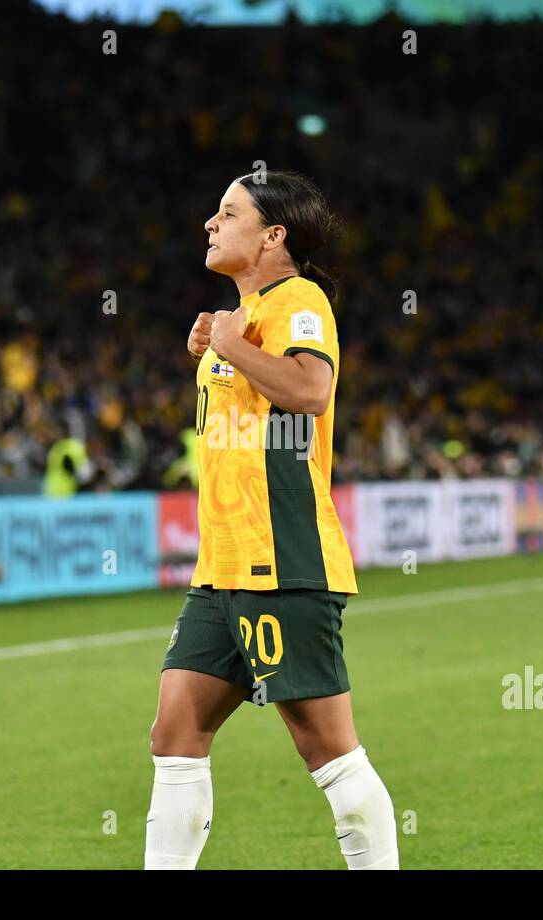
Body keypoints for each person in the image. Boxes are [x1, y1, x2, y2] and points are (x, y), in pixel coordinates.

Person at [144, 171, 398, 870]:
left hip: (281, 560)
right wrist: (220, 350)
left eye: (228, 213)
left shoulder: (299, 300)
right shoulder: (242, 319)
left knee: (330, 754)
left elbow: (312, 390)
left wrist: (232, 347)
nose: (210, 223)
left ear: (273, 236)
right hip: (222, 565)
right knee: (174, 734)